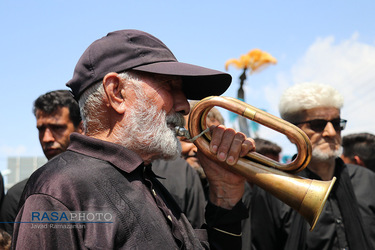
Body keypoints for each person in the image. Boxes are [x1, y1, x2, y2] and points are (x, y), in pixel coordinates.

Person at [12, 29, 255, 249]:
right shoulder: (59, 190)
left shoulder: (144, 178)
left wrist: (224, 195)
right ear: (116, 92)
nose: (183, 106)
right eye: (170, 86)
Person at [251, 82, 375, 250]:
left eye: (337, 123)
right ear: (291, 133)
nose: (331, 132)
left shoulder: (367, 180)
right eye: (318, 124)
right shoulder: (271, 191)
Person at [0, 90, 82, 236]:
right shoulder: (19, 197)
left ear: (81, 128)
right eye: (41, 129)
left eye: (57, 128)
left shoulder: (107, 185)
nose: (46, 138)